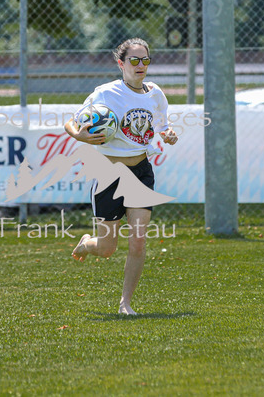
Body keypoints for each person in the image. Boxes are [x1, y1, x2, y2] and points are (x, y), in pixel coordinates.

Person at [63, 38, 179, 315]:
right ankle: (87, 243)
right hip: (109, 175)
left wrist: (168, 134)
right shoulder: (106, 93)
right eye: (134, 60)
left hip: (141, 172)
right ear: (121, 63)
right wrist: (79, 135)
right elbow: (72, 122)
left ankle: (125, 303)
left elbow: (162, 125)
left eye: (145, 60)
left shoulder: (155, 94)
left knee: (138, 241)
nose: (140, 65)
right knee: (107, 249)